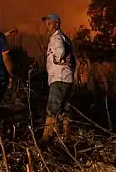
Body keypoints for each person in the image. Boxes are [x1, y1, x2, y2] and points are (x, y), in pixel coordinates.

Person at [41, 13, 76, 142]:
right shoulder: (66, 38)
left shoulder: (56, 38)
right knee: (65, 108)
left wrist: (58, 60)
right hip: (67, 78)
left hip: (58, 78)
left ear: (56, 24)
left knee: (52, 108)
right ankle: (66, 136)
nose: (48, 26)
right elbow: (73, 60)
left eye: (50, 24)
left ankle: (46, 138)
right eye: (46, 24)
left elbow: (60, 51)